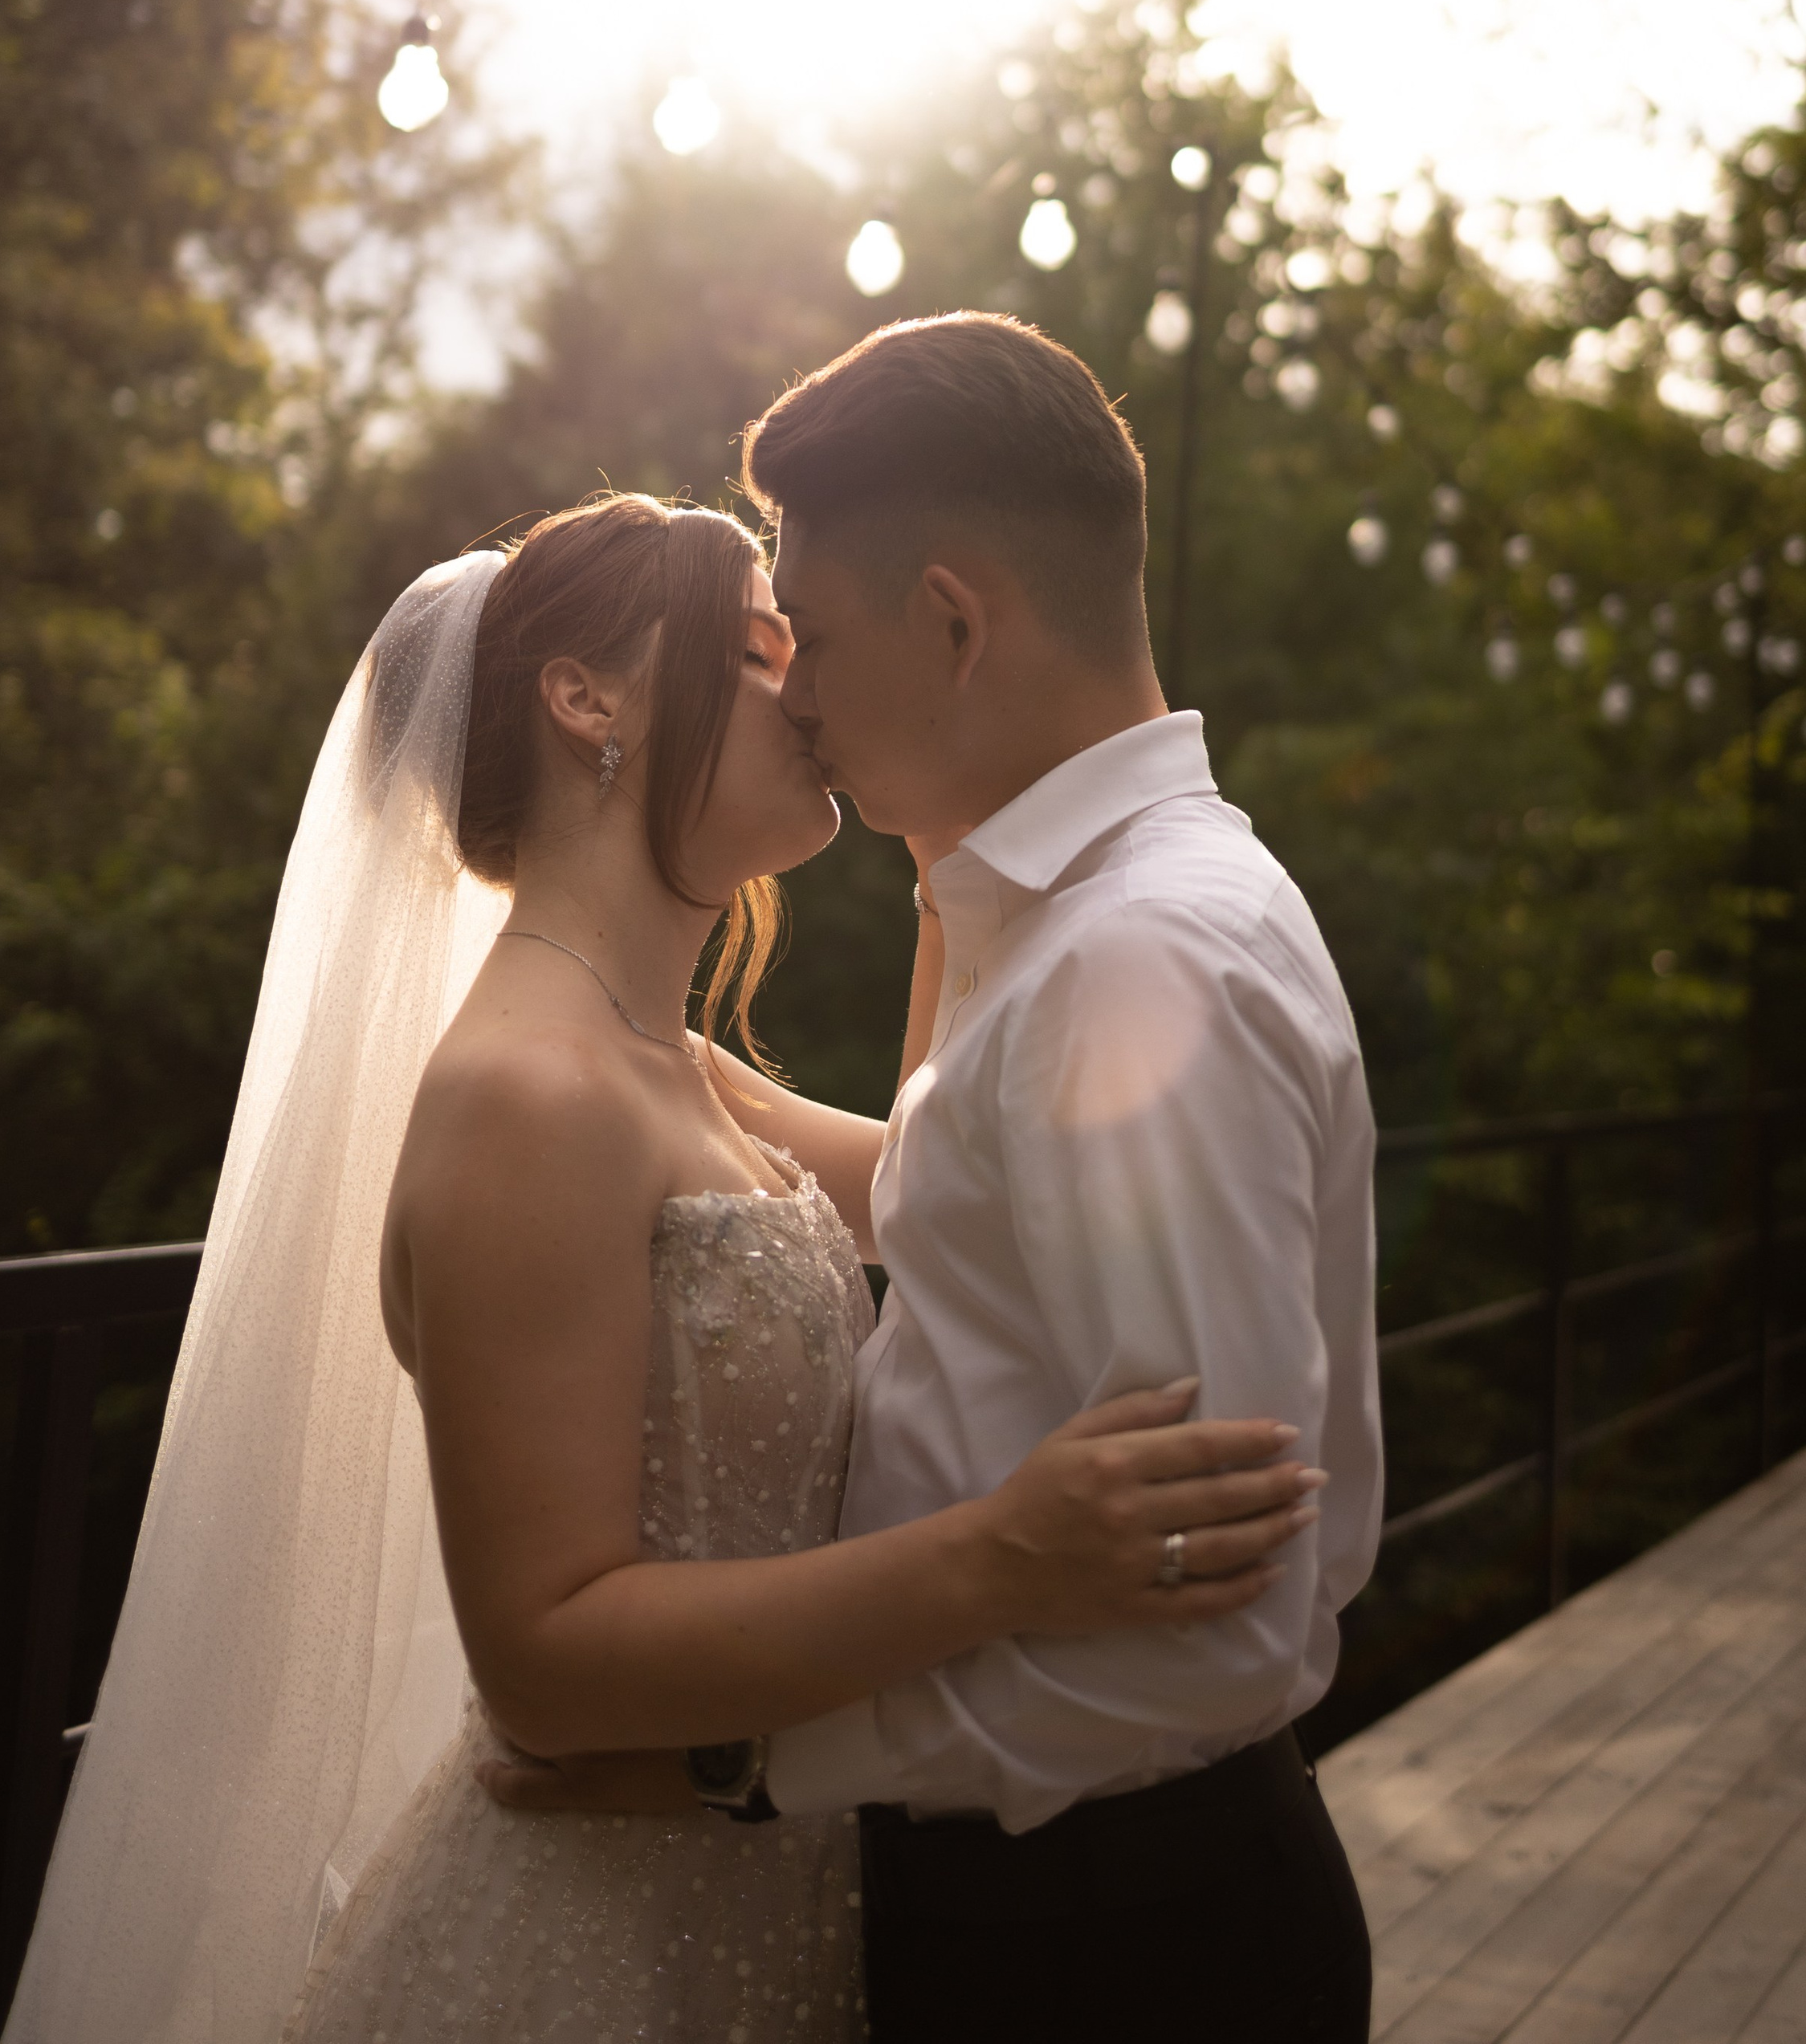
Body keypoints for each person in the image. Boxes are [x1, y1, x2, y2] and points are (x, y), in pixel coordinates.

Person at [4, 488, 1315, 2044]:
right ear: (586, 698)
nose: (806, 690)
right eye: (760, 649)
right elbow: (546, 1663)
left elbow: (928, 1184)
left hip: (772, 1885)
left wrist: (947, 793)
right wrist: (1006, 1557)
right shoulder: (522, 1102)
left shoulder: (673, 1066)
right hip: (602, 1953)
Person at [487, 314, 1383, 2043]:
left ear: (955, 622)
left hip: (1116, 1947)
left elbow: (1214, 1608)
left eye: (806, 634)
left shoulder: (1140, 965)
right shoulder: (1063, 928)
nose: (794, 690)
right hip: (1069, 1903)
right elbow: (943, 1206)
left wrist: (751, 1766)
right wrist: (641, 1046)